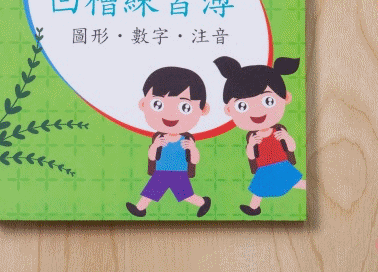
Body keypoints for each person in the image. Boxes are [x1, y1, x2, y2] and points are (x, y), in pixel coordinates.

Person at [214, 56, 305, 216]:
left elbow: (291, 147)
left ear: (286, 98)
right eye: (242, 106)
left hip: (281, 165)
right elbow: (251, 156)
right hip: (264, 168)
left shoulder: (279, 131)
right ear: (229, 110)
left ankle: (311, 190)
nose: (257, 112)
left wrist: (286, 137)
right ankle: (254, 208)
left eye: (268, 101)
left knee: (294, 182)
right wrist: (251, 145)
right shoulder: (252, 137)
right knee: (258, 189)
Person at [126, 66, 212, 218]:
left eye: (185, 107)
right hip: (161, 172)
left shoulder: (187, 140)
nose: (171, 114)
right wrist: (155, 146)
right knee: (149, 193)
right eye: (158, 104)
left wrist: (192, 148)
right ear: (143, 104)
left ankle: (203, 203)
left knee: (187, 196)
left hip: (179, 174)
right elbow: (152, 156)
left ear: (203, 109)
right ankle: (139, 209)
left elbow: (195, 160)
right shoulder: (159, 139)